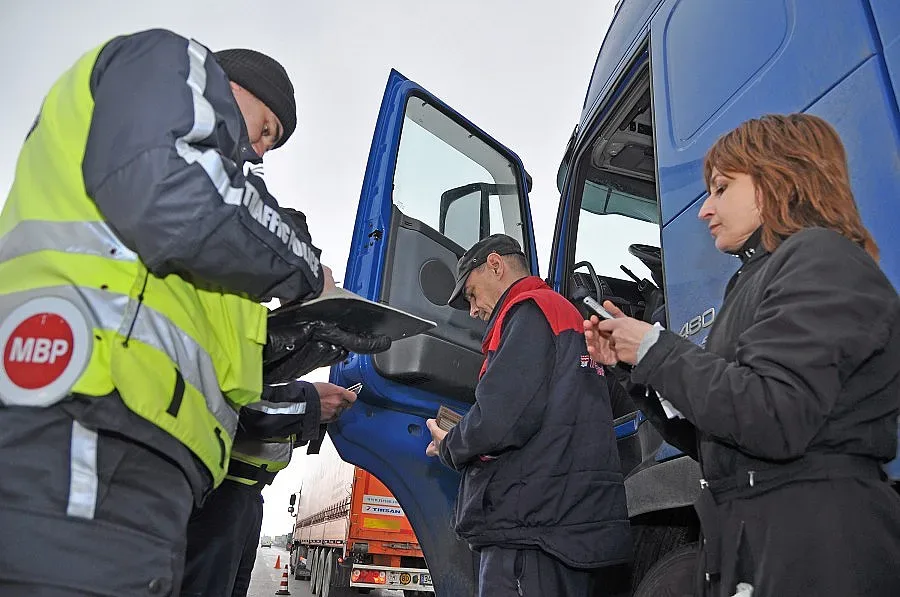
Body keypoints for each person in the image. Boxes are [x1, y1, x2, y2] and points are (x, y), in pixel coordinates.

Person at [0, 30, 340, 595]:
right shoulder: (165, 62)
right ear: (234, 88)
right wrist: (303, 266)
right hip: (86, 420)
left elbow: (239, 371)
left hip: (152, 465)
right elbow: (168, 191)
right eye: (265, 132)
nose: (258, 153)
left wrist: (326, 333)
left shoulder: (202, 263)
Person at [584, 113, 900, 596]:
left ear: (777, 178)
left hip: (818, 551)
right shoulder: (756, 280)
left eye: (722, 188)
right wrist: (636, 366)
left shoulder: (821, 258)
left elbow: (774, 416)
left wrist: (655, 348)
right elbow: (721, 438)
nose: (704, 210)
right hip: (767, 543)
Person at [424, 234, 631, 597]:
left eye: (471, 294)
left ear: (495, 265)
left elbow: (500, 419)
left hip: (531, 529)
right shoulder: (565, 314)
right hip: (571, 526)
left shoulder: (528, 311)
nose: (473, 311)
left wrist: (449, 444)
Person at [181, 379, 358, 597]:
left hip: (247, 495)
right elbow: (245, 409)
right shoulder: (233, 368)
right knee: (207, 588)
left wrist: (314, 418)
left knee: (233, 586)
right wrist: (311, 403)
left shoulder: (260, 369)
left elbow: (275, 429)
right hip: (221, 492)